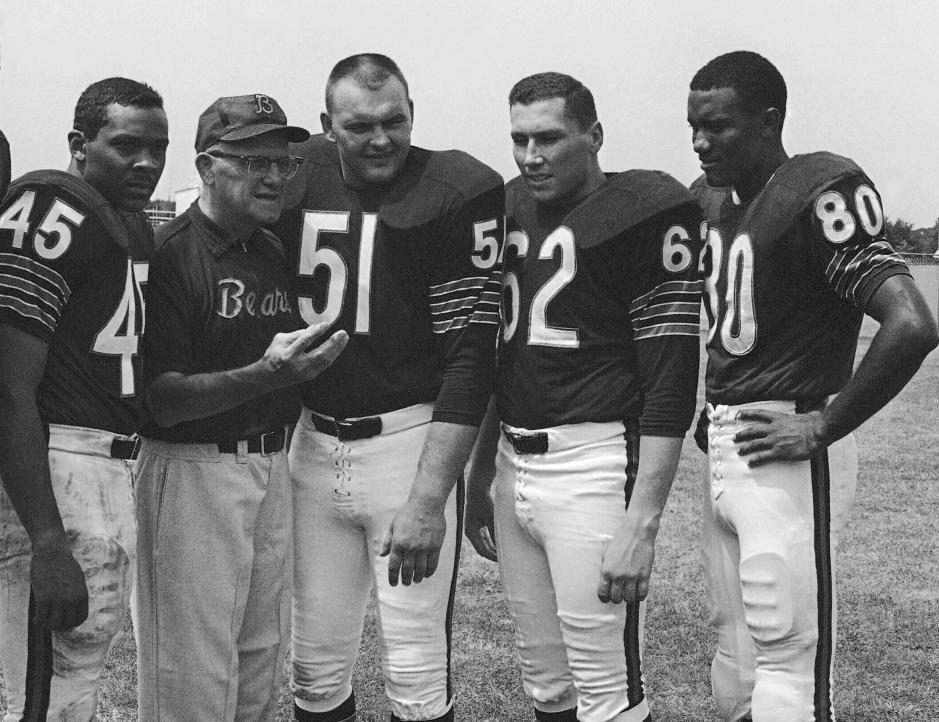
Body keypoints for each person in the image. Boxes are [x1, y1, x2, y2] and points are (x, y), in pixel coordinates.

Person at [686, 51, 939, 722]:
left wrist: (824, 425)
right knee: (735, 665)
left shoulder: (818, 187)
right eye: (693, 126)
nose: (701, 142)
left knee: (788, 665)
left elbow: (911, 323)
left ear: (770, 122)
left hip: (789, 444)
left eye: (718, 126)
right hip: (726, 445)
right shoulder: (708, 202)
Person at [464, 72, 703, 722]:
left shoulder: (647, 209)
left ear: (593, 135)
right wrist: (480, 469)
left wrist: (643, 522)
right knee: (545, 682)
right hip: (516, 463)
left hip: (594, 463)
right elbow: (497, 358)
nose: (531, 155)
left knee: (607, 689)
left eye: (548, 137)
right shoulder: (506, 208)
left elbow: (670, 379)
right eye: (519, 139)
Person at [274, 54, 504, 722]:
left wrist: (430, 499)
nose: (381, 140)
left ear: (413, 113)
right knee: (312, 672)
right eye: (359, 125)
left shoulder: (455, 190)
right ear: (325, 126)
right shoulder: (294, 175)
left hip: (406, 444)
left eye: (394, 121)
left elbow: (470, 360)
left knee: (415, 671)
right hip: (312, 446)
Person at [134, 94, 348, 722]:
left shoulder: (270, 248)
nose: (276, 177)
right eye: (255, 161)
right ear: (206, 167)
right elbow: (161, 401)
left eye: (283, 162)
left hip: (270, 468)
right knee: (191, 674)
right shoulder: (171, 253)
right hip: (191, 470)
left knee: (258, 660)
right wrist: (266, 376)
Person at [0, 76, 167, 721]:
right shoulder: (52, 205)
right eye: (127, 146)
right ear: (79, 143)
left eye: (159, 148)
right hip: (60, 467)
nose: (147, 163)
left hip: (111, 469)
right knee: (45, 695)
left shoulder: (121, 224)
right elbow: (8, 388)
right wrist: (45, 538)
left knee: (77, 682)